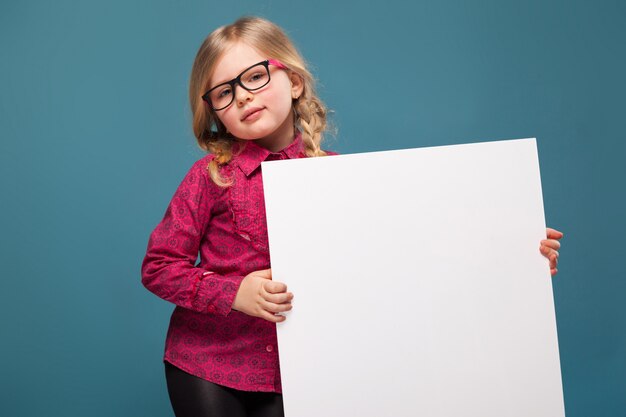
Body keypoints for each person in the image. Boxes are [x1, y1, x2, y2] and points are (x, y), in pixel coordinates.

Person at [141, 16, 563, 417]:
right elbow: (159, 266)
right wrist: (233, 293)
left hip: (300, 372)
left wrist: (513, 254)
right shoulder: (211, 175)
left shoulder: (339, 178)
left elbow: (410, 257)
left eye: (254, 76)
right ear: (215, 112)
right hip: (207, 364)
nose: (243, 95)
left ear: (293, 81)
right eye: (224, 92)